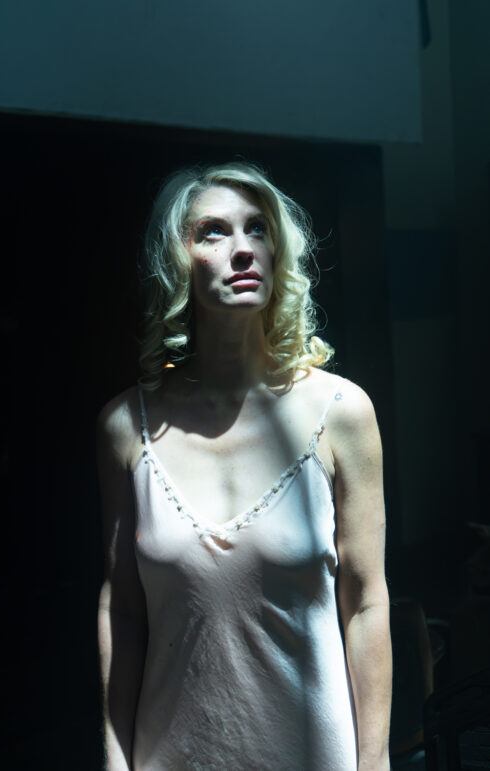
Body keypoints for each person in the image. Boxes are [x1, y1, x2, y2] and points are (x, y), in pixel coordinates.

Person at [97, 162, 392, 770]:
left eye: (257, 228)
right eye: (213, 231)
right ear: (176, 261)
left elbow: (366, 605)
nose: (242, 249)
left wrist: (376, 761)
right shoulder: (127, 426)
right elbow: (121, 610)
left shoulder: (341, 413)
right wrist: (113, 758)